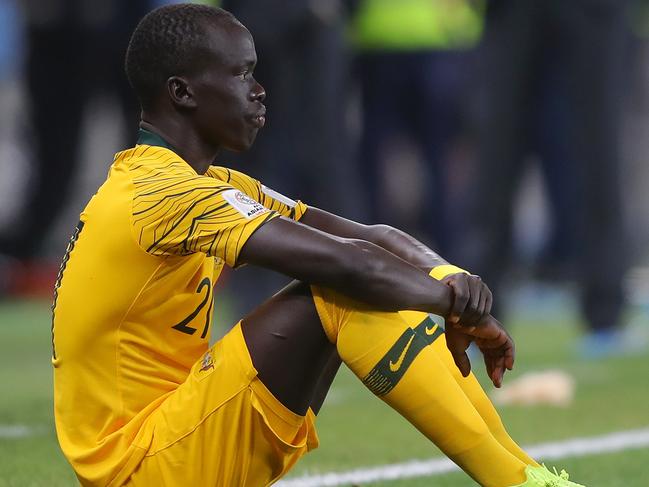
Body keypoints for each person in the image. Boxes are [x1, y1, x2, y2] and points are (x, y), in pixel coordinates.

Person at [51, 4, 585, 486]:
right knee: (342, 289)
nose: (259, 90)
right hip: (141, 465)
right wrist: (454, 304)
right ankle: (518, 482)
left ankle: (526, 474)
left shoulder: (200, 183)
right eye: (240, 73)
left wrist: (450, 282)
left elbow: (370, 237)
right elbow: (353, 264)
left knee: (357, 276)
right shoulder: (160, 193)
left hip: (177, 432)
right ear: (182, 92)